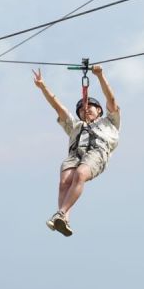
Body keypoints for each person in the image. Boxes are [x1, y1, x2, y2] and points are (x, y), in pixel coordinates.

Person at [32, 65, 120, 237]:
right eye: (81, 109)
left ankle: (61, 213)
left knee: (80, 174)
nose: (85, 109)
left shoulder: (110, 121)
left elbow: (111, 98)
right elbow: (58, 108)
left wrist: (100, 75)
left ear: (99, 110)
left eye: (90, 107)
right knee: (64, 182)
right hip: (75, 154)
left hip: (97, 152)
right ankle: (63, 218)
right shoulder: (75, 126)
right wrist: (43, 86)